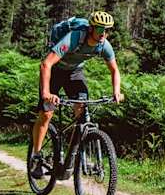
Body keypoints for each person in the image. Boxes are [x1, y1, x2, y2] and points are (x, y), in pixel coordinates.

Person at [29, 10, 124, 177]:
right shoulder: (74, 38)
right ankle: (36, 156)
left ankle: (81, 156)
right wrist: (46, 93)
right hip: (55, 71)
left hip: (74, 72)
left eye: (107, 30)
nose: (103, 34)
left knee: (82, 112)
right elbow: (46, 64)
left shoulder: (104, 45)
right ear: (91, 29)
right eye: (100, 29)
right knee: (46, 114)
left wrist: (116, 91)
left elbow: (114, 70)